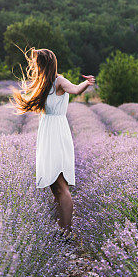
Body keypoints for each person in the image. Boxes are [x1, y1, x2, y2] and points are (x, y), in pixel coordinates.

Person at [10, 48, 95, 232]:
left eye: (37, 64)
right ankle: (60, 229)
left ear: (44, 64)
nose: (35, 67)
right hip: (47, 134)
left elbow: (75, 90)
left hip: (57, 134)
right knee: (54, 186)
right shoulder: (45, 83)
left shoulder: (59, 80)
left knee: (61, 185)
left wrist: (86, 83)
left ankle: (66, 232)